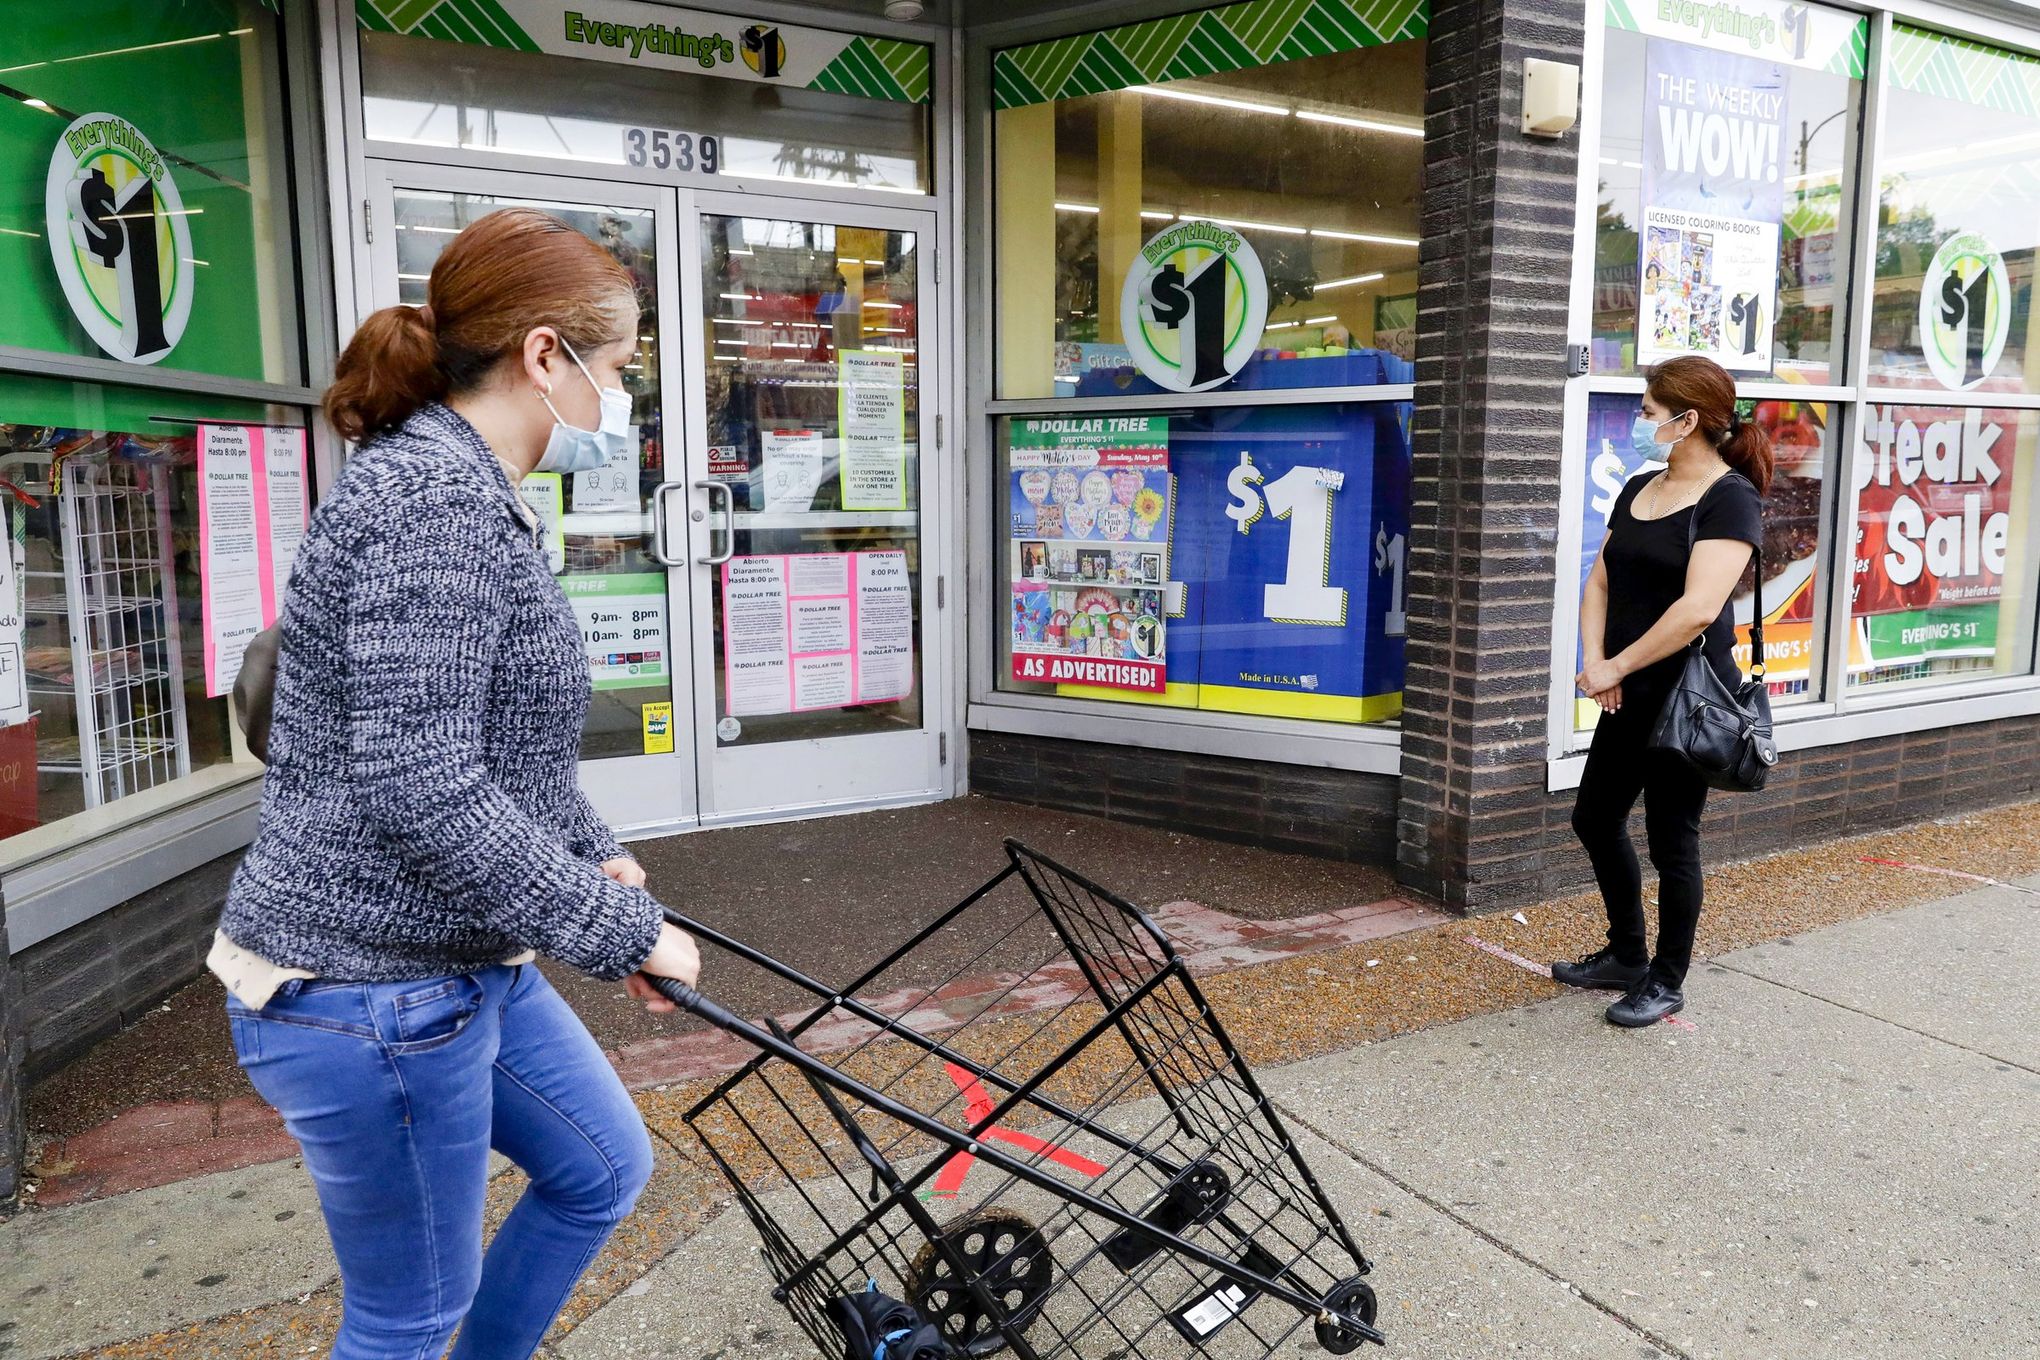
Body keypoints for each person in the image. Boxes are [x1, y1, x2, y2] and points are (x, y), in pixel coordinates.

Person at [211, 207, 702, 1358]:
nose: (618, 399)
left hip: (453, 961)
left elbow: (498, 744)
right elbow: (421, 783)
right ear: (545, 355)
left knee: (600, 1166)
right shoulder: (436, 505)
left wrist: (591, 848)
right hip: (368, 989)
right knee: (406, 1317)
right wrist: (622, 929)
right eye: (618, 368)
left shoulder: (467, 491)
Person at [1554, 355, 1769, 1026]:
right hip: (1625, 689)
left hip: (1686, 697)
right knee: (1594, 818)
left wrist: (1617, 667)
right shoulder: (1641, 486)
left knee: (1673, 838)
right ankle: (1626, 954)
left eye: (1648, 412)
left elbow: (1699, 609)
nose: (1640, 422)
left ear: (1688, 420)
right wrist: (1597, 659)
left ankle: (1666, 979)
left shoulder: (1730, 497)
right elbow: (1600, 580)